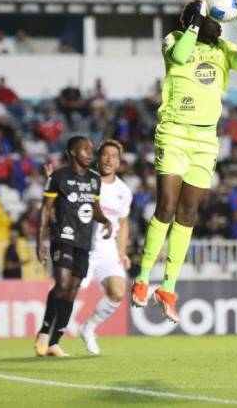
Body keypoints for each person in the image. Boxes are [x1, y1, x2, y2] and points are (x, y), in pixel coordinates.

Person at [130, 0, 237, 323]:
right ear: (199, 20)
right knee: (167, 207)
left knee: (188, 214)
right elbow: (179, 56)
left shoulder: (224, 49)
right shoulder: (174, 40)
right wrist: (197, 19)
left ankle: (168, 287)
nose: (220, 26)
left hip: (205, 141)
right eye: (215, 21)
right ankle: (142, 279)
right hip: (173, 132)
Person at [34, 136, 111, 358]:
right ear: (72, 152)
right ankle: (44, 332)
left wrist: (104, 220)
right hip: (63, 237)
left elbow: (94, 207)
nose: (90, 153)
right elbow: (46, 210)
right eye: (85, 150)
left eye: (90, 150)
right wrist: (40, 242)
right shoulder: (59, 177)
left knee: (72, 290)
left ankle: (55, 342)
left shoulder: (95, 180)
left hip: (84, 241)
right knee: (62, 284)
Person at [75, 139, 133, 356]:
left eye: (114, 156)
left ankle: (88, 328)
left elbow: (124, 223)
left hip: (107, 248)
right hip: (82, 245)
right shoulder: (84, 180)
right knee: (69, 292)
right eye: (105, 155)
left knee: (118, 292)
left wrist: (122, 252)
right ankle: (51, 337)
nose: (109, 160)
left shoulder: (124, 191)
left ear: (119, 162)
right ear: (99, 157)